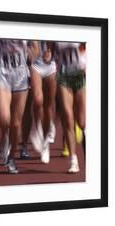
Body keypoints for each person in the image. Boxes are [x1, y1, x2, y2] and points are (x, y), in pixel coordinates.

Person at [0, 38, 30, 173]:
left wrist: (31, 55)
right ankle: (4, 135)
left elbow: (35, 47)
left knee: (16, 124)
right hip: (2, 72)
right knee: (4, 119)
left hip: (21, 74)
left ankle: (11, 158)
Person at [55, 41, 86, 173]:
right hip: (63, 76)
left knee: (82, 122)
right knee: (68, 118)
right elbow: (49, 54)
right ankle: (73, 160)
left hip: (79, 75)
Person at [29, 41, 57, 164]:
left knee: (48, 106)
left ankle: (45, 143)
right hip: (36, 65)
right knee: (38, 99)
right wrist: (31, 52)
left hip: (51, 67)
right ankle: (36, 127)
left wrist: (51, 51)